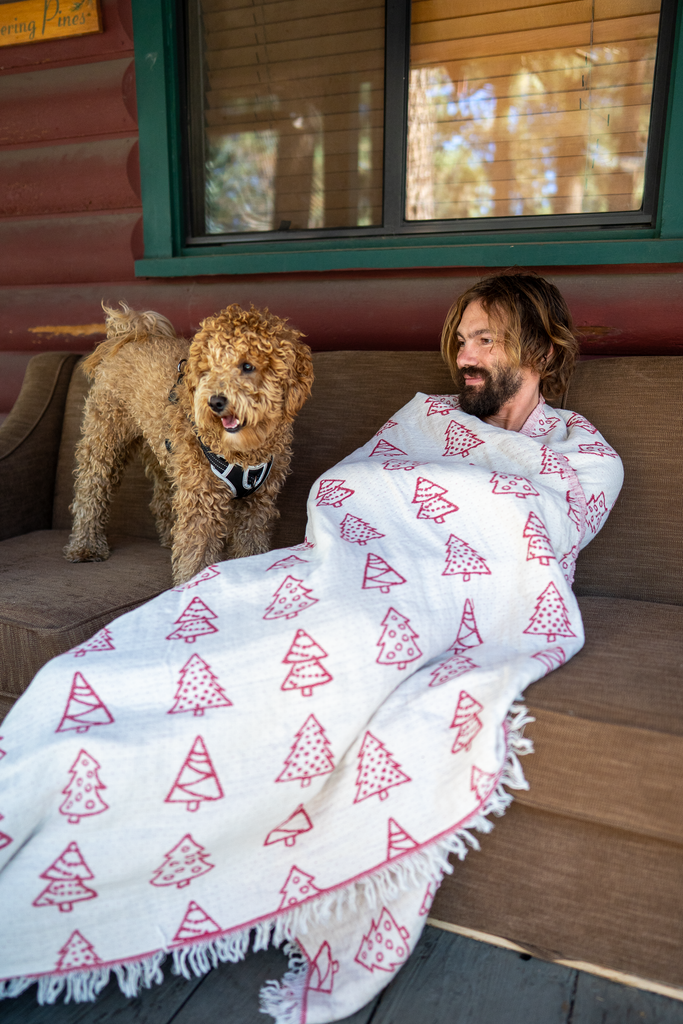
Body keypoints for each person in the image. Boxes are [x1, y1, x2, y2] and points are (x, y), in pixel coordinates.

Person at [0, 273, 622, 1024]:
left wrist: (461, 514)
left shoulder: (580, 452)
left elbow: (537, 538)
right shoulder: (423, 418)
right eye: (461, 339)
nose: (464, 354)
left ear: (542, 349)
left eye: (485, 339)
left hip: (419, 603)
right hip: (335, 575)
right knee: (118, 662)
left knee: (330, 652)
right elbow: (345, 488)